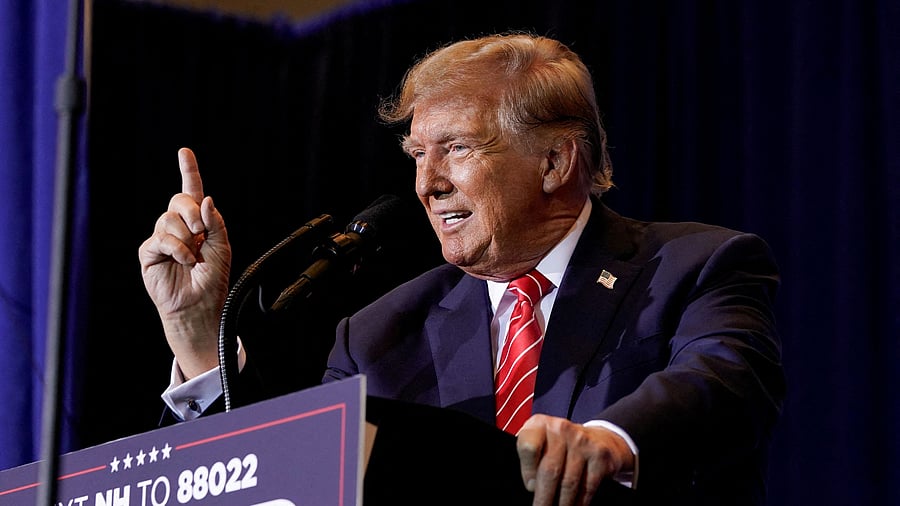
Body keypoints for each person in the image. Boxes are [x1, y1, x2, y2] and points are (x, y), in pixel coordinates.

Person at [139, 33, 784, 505]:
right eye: (418, 154)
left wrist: (612, 441)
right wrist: (200, 340)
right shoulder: (375, 336)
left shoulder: (695, 266)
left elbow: (722, 382)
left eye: (456, 149)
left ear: (555, 162)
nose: (426, 184)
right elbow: (283, 483)